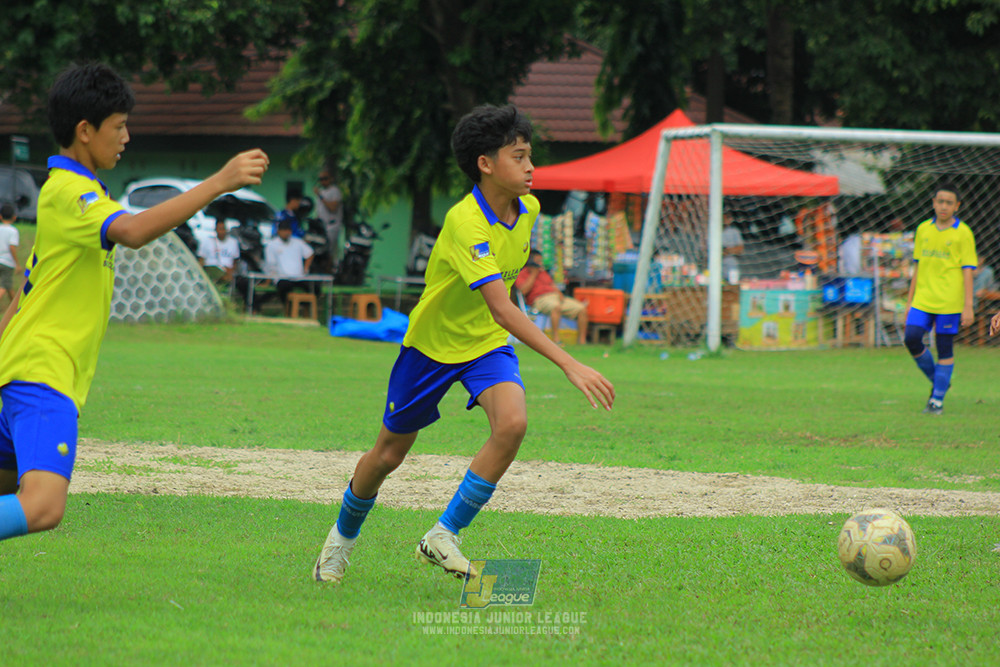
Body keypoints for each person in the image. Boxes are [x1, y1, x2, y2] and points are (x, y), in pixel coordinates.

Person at [312, 104, 614, 584]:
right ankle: (339, 542)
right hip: (430, 347)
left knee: (512, 423)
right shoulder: (464, 222)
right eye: (519, 156)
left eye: (530, 155)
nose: (531, 167)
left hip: (487, 345)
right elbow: (501, 305)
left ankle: (442, 534)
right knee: (387, 456)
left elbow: (507, 298)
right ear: (486, 163)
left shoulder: (530, 209)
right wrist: (568, 363)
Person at [0, 63, 269, 545]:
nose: (127, 136)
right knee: (41, 506)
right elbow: (132, 231)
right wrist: (217, 182)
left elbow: (28, 286)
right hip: (42, 376)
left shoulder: (71, 193)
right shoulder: (72, 191)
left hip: (16, 369)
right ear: (85, 131)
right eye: (119, 126)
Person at [903, 181, 977, 416]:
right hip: (922, 299)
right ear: (933, 203)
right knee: (911, 338)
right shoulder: (923, 229)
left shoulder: (963, 233)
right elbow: (917, 267)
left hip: (949, 302)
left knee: (945, 349)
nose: (943, 206)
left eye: (949, 202)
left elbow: (968, 270)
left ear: (957, 206)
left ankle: (936, 400)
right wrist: (909, 301)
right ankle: (941, 381)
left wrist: (968, 305)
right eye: (940, 201)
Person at [514, 248, 589, 345]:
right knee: (555, 307)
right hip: (540, 300)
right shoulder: (523, 273)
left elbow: (553, 285)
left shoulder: (544, 273)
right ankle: (556, 339)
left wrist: (559, 294)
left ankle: (582, 341)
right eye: (538, 261)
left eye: (541, 261)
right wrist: (533, 274)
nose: (540, 264)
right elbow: (523, 291)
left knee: (581, 309)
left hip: (555, 297)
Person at [263, 218, 315, 308]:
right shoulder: (272, 245)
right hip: (282, 278)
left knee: (315, 287)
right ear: (279, 231)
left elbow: (310, 253)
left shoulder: (297, 242)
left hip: (299, 277)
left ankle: (305, 308)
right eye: (284, 230)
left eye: (288, 230)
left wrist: (306, 268)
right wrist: (269, 280)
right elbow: (271, 265)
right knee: (284, 287)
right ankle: (289, 309)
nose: (287, 233)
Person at [313, 167, 344, 269]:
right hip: (322, 225)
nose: (323, 181)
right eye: (321, 179)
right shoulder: (321, 192)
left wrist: (320, 196)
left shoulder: (334, 191)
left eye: (325, 178)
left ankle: (330, 271)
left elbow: (333, 208)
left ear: (330, 179)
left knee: (329, 250)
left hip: (332, 225)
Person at [196, 218, 240, 286]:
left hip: (226, 271)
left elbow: (235, 261)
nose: (222, 231)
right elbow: (201, 259)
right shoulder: (207, 241)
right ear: (216, 230)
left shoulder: (233, 242)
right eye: (220, 229)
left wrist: (230, 273)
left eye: (223, 229)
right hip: (210, 269)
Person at [0, 203, 20, 308]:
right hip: (7, 262)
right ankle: (16, 307)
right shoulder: (13, 231)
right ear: (14, 217)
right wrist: (17, 264)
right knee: (4, 286)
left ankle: (16, 307)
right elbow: (12, 247)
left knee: (8, 286)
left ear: (0, 216)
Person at [721, 212, 744, 283]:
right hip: (715, 263)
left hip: (730, 262)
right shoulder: (711, 231)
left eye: (727, 218)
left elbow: (740, 249)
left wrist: (726, 251)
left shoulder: (734, 232)